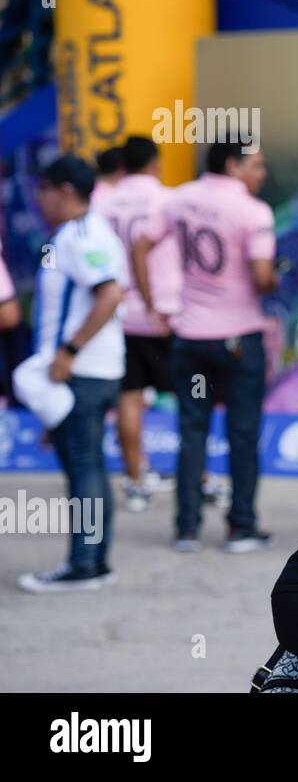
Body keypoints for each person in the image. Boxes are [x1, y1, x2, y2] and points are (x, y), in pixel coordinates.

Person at [132, 141, 278, 554]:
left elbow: (140, 247)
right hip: (237, 343)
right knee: (243, 432)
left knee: (192, 430)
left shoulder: (179, 199)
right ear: (234, 165)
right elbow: (262, 277)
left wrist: (150, 308)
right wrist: (275, 280)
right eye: (256, 164)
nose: (261, 173)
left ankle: (186, 528)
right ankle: (241, 527)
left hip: (191, 342)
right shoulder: (253, 211)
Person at [18, 155, 127, 593]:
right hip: (89, 370)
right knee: (91, 466)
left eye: (42, 188)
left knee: (84, 468)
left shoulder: (80, 236)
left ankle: (84, 564)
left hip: (81, 370)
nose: (38, 198)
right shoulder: (82, 233)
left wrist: (69, 350)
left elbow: (110, 294)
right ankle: (93, 561)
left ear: (63, 190)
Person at [95, 135, 181, 512]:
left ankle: (135, 479)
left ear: (123, 165)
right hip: (164, 310)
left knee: (128, 398)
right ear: (156, 163)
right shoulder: (167, 199)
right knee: (191, 397)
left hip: (117, 313)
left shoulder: (101, 201)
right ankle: (201, 478)